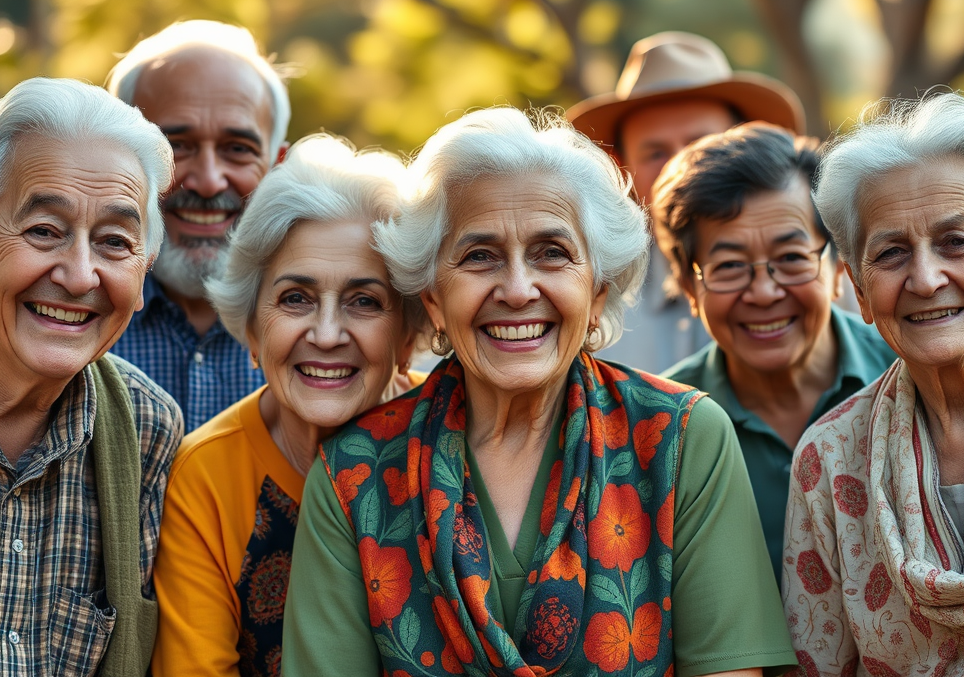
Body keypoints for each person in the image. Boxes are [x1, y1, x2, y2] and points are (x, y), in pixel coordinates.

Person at [283, 108, 797, 677]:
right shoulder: (355, 475)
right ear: (432, 297)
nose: (518, 289)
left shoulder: (680, 438)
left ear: (597, 290)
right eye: (479, 257)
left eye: (552, 252)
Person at [151, 135, 425, 677]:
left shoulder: (461, 440)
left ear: (408, 336)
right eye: (295, 298)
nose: (325, 334)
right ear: (251, 329)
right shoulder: (205, 476)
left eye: (364, 301)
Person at [784, 93, 964, 673]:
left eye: (956, 242)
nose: (925, 277)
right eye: (890, 253)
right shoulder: (830, 459)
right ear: (859, 294)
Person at [0, 77, 182, 676]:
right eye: (44, 231)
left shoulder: (147, 429)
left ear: (145, 267)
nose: (80, 275)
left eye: (114, 242)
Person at [650, 123, 896, 578]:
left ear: (838, 267)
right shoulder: (661, 426)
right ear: (688, 285)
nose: (763, 292)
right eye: (729, 266)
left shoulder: (912, 373)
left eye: (791, 258)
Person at [568, 32, 806, 373]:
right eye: (655, 153)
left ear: (744, 144)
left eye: (702, 144)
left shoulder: (815, 277)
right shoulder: (594, 299)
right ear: (621, 167)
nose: (682, 169)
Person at [106, 20, 294, 431]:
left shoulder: (322, 337)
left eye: (237, 149)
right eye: (176, 146)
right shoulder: (63, 317)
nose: (209, 181)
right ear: (120, 159)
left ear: (277, 166)